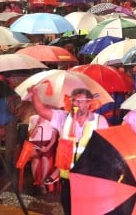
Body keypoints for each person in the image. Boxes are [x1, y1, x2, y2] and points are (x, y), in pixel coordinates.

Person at [28, 87, 109, 215]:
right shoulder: (64, 118)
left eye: (80, 101)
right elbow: (41, 110)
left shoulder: (99, 121)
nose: (76, 104)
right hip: (67, 177)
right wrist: (34, 95)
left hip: (88, 176)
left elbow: (105, 148)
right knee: (69, 209)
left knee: (86, 210)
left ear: (89, 103)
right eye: (74, 101)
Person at [27, 114, 58, 194]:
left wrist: (47, 147)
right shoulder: (33, 118)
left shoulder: (52, 118)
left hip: (47, 144)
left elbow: (54, 137)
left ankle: (42, 182)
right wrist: (37, 124)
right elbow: (31, 135)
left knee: (45, 158)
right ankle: (36, 181)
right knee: (35, 159)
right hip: (34, 143)